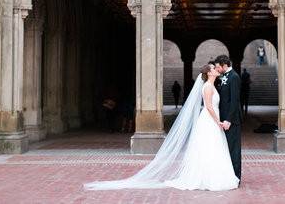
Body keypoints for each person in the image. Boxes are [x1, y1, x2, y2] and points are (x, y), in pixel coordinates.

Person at [84, 64, 239, 191]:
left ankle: (212, 175)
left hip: (211, 121)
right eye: (213, 69)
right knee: (209, 148)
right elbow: (209, 107)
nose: (216, 70)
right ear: (209, 73)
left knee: (213, 148)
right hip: (209, 120)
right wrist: (219, 121)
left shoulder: (212, 85)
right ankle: (207, 178)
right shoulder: (207, 87)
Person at [214, 55, 242, 181]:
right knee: (225, 149)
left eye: (218, 67)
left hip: (231, 121)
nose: (217, 69)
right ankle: (227, 175)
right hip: (223, 119)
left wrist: (228, 120)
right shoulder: (223, 77)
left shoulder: (234, 77)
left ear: (225, 65)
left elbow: (234, 100)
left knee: (233, 149)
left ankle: (236, 177)